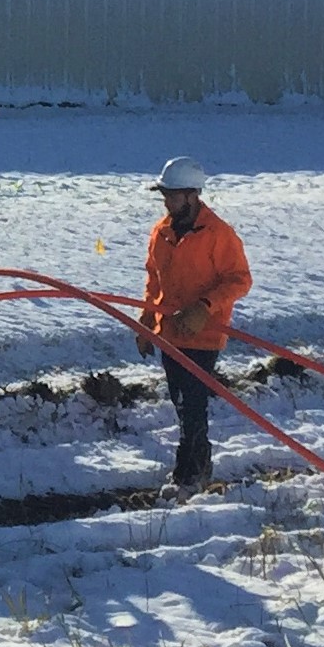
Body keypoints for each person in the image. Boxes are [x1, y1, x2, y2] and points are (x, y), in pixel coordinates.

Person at [137, 156, 253, 494]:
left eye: (172, 195)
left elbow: (240, 280)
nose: (166, 201)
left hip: (204, 336)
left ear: (191, 195)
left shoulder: (219, 234)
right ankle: (198, 467)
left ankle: (188, 477)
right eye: (165, 195)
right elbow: (153, 282)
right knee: (182, 404)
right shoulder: (161, 233)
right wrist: (146, 322)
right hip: (170, 335)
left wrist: (205, 307)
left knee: (192, 407)